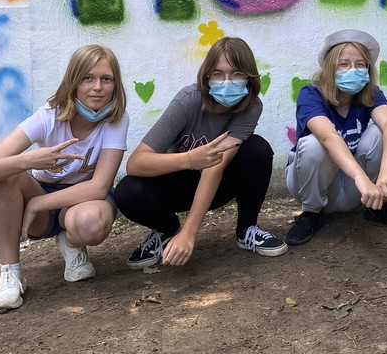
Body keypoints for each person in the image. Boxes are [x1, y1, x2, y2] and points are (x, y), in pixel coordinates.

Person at [0, 45, 129, 312]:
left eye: (106, 79)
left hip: (83, 199)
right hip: (41, 195)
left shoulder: (116, 119)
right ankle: (10, 274)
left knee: (92, 223)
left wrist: (37, 204)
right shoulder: (48, 117)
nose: (97, 87)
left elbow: (99, 187)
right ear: (73, 81)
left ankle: (72, 243)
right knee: (4, 176)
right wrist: (28, 161)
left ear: (115, 85)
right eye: (88, 78)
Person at [114, 37, 286, 268]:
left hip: (217, 184)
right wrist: (190, 160)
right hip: (178, 183)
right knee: (128, 191)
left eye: (237, 74)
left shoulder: (251, 106)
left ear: (249, 77)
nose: (227, 82)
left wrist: (190, 233)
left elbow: (215, 166)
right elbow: (135, 163)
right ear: (207, 76)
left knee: (257, 149)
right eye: (218, 74)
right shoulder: (188, 101)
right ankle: (167, 230)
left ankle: (247, 229)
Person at [285, 30, 387, 245]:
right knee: (314, 144)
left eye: (360, 64)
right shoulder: (310, 94)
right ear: (329, 68)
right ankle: (310, 213)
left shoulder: (371, 94)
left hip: (357, 191)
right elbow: (328, 136)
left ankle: (377, 205)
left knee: (382, 133)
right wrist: (360, 178)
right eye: (343, 64)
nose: (353, 70)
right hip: (316, 186)